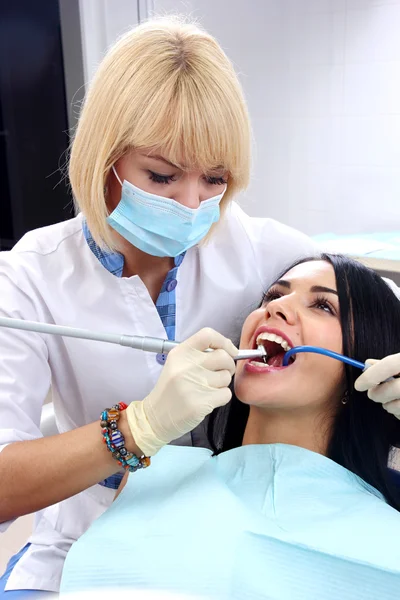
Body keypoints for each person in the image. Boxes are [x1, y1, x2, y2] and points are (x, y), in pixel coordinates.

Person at [1, 15, 400, 598]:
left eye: (215, 178)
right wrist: (136, 429)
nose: (192, 205)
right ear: (102, 159)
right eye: (161, 176)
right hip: (89, 543)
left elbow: (371, 320)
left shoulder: (275, 253)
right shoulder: (31, 276)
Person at [60, 255, 400, 600]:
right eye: (272, 296)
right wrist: (138, 425)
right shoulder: (154, 473)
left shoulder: (388, 539)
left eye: (324, 306)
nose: (277, 307)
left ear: (365, 365)